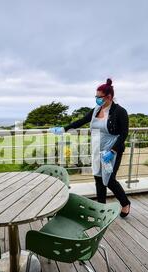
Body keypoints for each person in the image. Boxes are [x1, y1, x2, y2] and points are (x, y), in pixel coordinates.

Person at [50, 78, 131, 218]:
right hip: (97, 148)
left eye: (99, 97)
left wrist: (113, 151)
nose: (97, 100)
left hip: (111, 150)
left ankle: (125, 203)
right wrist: (64, 128)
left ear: (109, 97)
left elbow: (124, 134)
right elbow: (81, 121)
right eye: (96, 97)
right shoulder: (96, 110)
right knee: (98, 178)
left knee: (109, 179)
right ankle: (101, 208)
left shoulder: (120, 112)